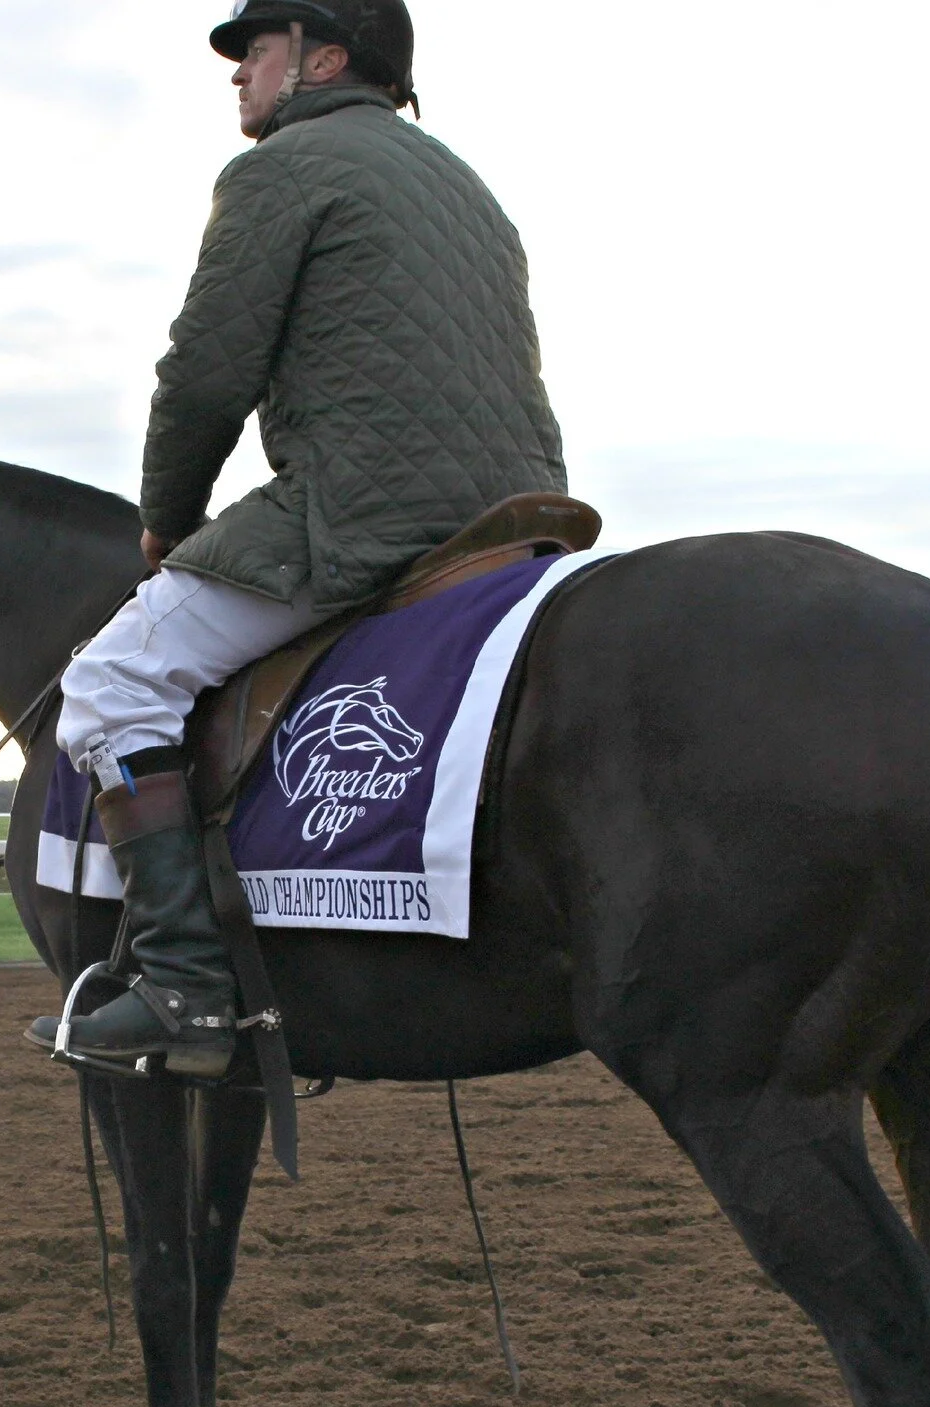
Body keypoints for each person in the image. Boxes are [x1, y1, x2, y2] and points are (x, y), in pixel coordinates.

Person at [30, 0, 567, 1075]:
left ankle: (184, 987)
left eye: (256, 49)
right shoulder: (471, 191)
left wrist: (168, 521)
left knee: (112, 682)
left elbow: (205, 374)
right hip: (515, 524)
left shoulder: (279, 168)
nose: (238, 72)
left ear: (324, 60)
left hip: (362, 514)